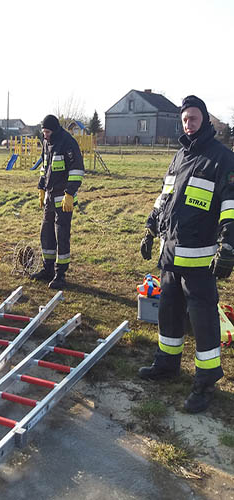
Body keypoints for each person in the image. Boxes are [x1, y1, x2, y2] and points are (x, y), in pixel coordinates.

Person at [139, 95, 234, 413]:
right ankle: (167, 364)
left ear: (205, 120)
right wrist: (151, 229)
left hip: (200, 260)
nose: (188, 124)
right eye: (184, 119)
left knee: (203, 320)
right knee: (168, 312)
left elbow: (230, 206)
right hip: (170, 255)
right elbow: (164, 196)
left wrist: (229, 246)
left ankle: (205, 383)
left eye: (193, 118)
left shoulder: (222, 158)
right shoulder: (179, 156)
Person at [31, 114, 84, 289]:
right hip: (49, 196)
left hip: (64, 199)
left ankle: (60, 274)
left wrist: (70, 193)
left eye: (47, 132)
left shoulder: (68, 143)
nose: (44, 135)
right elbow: (45, 167)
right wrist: (41, 187)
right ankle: (48, 270)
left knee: (61, 235)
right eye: (43, 132)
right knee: (46, 232)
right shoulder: (47, 142)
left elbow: (77, 170)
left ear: (53, 130)